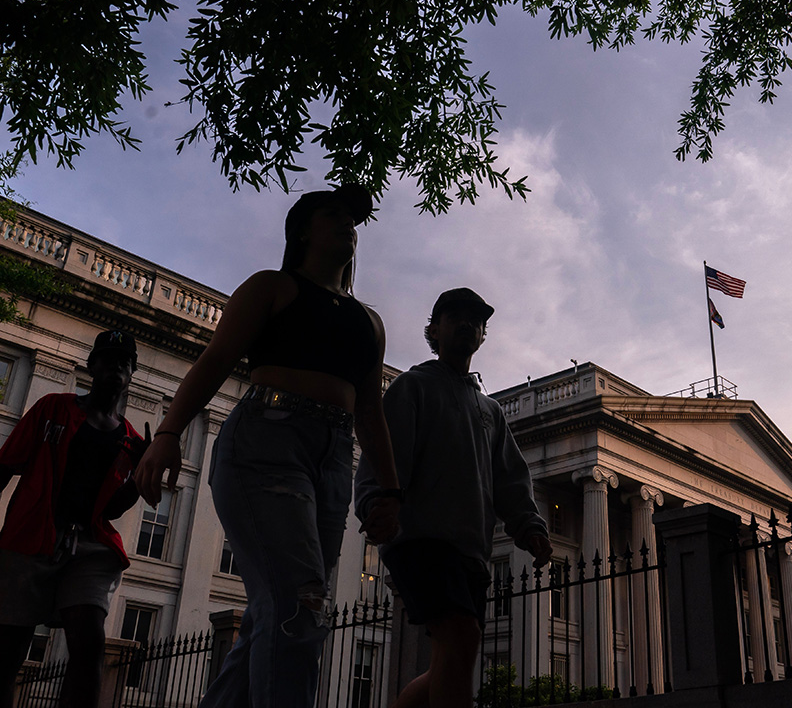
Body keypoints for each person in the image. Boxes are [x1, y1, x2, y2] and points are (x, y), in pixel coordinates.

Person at [134, 184, 404, 708]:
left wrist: (389, 491)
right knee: (300, 603)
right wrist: (167, 434)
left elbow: (371, 411)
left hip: (332, 456)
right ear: (302, 228)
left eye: (352, 220)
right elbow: (213, 361)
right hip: (266, 440)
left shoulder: (369, 321)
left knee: (277, 613)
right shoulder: (270, 288)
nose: (348, 225)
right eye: (333, 215)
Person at [356, 287, 553, 708]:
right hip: (421, 540)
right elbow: (383, 451)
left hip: (470, 551)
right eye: (455, 317)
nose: (467, 324)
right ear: (435, 330)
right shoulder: (413, 387)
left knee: (452, 657)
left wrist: (529, 526)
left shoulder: (490, 411)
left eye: (476, 321)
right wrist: (378, 502)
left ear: (483, 336)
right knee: (462, 637)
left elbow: (510, 480)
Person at [0, 330, 147, 708]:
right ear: (92, 365)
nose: (117, 365)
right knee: (8, 650)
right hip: (30, 538)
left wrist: (140, 473)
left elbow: (112, 509)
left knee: (89, 643)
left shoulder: (129, 438)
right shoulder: (52, 408)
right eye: (108, 358)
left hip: (90, 547)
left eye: (125, 361)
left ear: (132, 372)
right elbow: (5, 464)